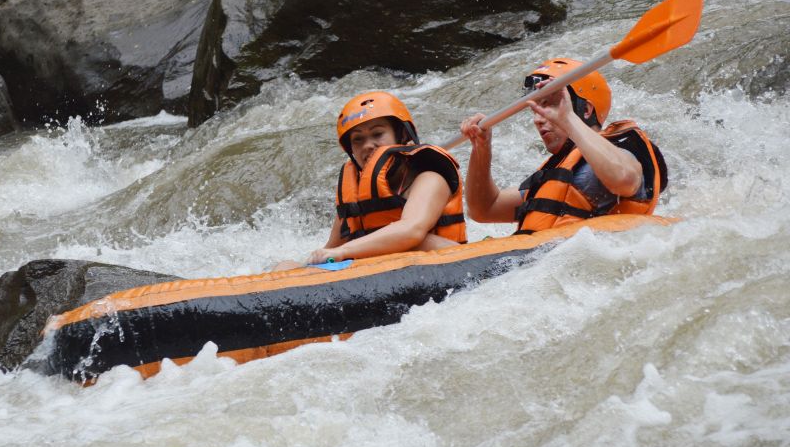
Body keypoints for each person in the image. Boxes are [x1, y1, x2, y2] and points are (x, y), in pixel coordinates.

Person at [460, 58, 668, 234]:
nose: (538, 119)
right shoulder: (556, 173)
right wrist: (481, 148)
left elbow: (625, 179)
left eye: (549, 104)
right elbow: (484, 209)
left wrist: (567, 118)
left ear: (585, 110)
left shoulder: (619, 150)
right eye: (536, 109)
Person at [274, 91, 466, 271]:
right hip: (382, 274)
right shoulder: (356, 193)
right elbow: (330, 250)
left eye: (377, 134)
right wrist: (305, 265)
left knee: (422, 241)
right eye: (358, 140)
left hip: (440, 268)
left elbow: (411, 231)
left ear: (402, 135)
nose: (367, 145)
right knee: (285, 266)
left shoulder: (429, 178)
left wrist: (344, 252)